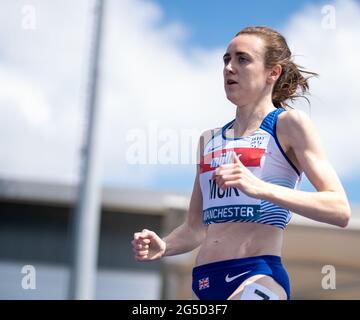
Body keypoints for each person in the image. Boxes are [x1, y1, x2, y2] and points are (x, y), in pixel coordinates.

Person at [131, 26, 351, 300]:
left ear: (273, 72)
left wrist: (259, 188)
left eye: (242, 59)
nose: (229, 68)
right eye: (226, 59)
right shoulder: (208, 140)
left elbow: (339, 209)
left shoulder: (288, 125)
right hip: (204, 283)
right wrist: (165, 246)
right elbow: (195, 228)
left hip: (257, 275)